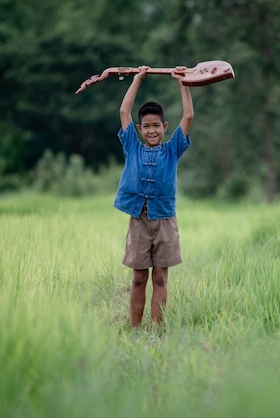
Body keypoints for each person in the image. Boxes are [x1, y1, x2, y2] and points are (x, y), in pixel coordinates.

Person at [114, 66, 194, 328]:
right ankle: (135, 328)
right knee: (139, 277)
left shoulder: (172, 150)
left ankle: (157, 330)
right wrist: (137, 79)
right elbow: (124, 111)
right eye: (146, 126)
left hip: (165, 221)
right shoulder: (132, 146)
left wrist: (183, 82)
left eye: (156, 126)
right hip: (139, 220)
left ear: (164, 127)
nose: (151, 131)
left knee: (160, 277)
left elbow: (189, 115)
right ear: (139, 128)